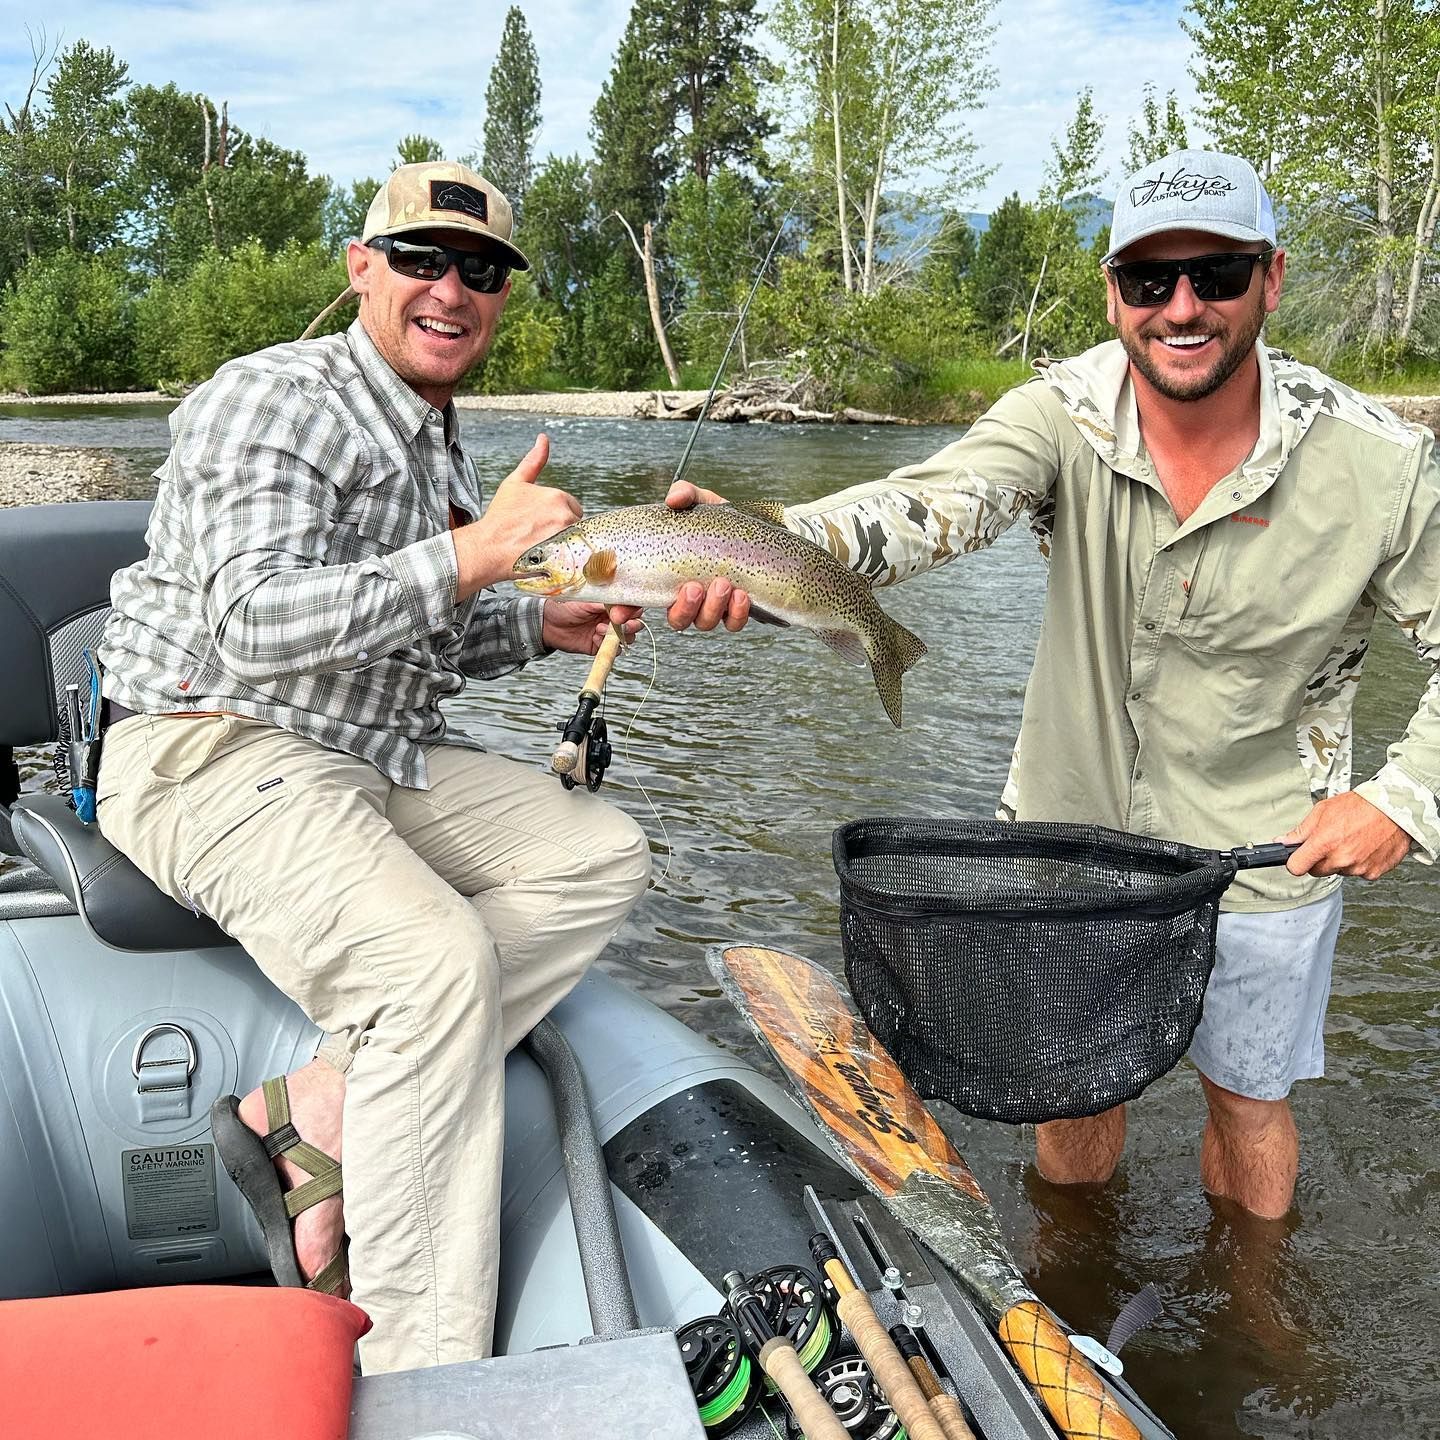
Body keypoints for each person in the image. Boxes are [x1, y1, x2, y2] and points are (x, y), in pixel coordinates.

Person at [667, 149, 1440, 1220]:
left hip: (1268, 841)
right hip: (1068, 830)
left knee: (1250, 1103)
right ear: (1112, 292)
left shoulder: (1382, 462)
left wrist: (1402, 800)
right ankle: (1072, 1287)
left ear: (1272, 277)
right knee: (1069, 1094)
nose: (1182, 307)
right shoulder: (1060, 414)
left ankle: (1258, 1316)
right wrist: (762, 542)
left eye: (1216, 274)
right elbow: (926, 506)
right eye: (1149, 280)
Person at [94, 161, 730, 1373]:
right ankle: (424, 1384)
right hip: (203, 741)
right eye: (422, 259)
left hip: (364, 749)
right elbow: (257, 626)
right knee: (428, 965)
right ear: (360, 268)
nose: (452, 289)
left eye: (480, 270)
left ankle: (319, 1109)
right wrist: (482, 551)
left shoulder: (432, 435)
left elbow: (425, 632)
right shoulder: (270, 399)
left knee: (602, 850)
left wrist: (541, 620)